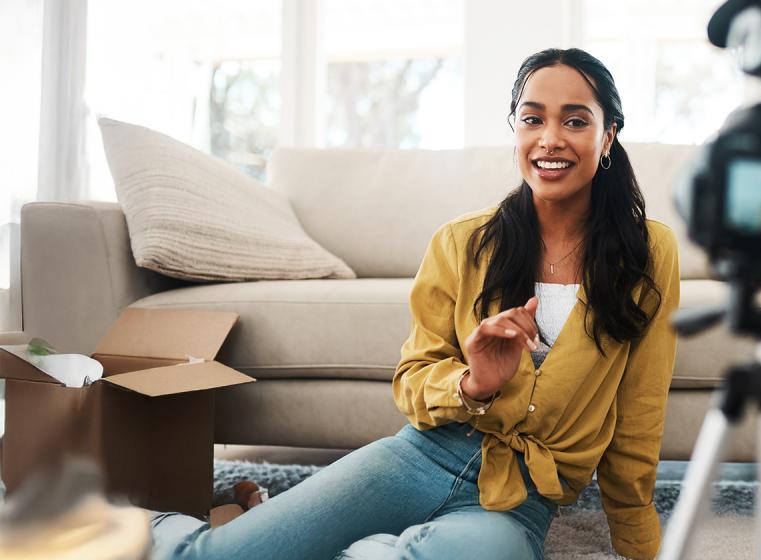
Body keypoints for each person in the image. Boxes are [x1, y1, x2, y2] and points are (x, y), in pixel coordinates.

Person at [148, 47, 680, 560]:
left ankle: (363, 546)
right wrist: (473, 384)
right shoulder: (460, 243)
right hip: (420, 457)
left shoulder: (648, 253)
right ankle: (159, 530)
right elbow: (411, 379)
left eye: (575, 121)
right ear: (515, 130)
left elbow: (639, 409)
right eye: (532, 118)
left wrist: (637, 541)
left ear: (609, 135)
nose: (550, 139)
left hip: (515, 500)